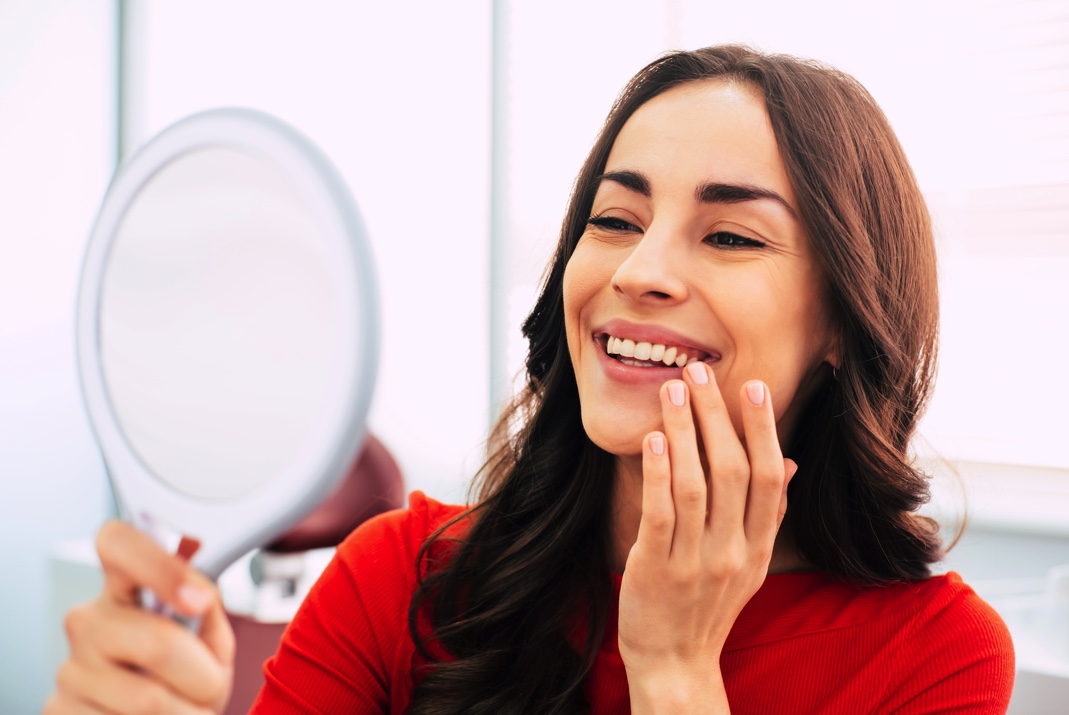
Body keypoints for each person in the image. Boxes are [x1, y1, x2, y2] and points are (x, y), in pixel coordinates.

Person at [46, 45, 1014, 714]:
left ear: (842, 321)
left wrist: (674, 670)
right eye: (614, 219)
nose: (638, 271)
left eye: (728, 234)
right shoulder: (397, 579)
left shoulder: (935, 658)